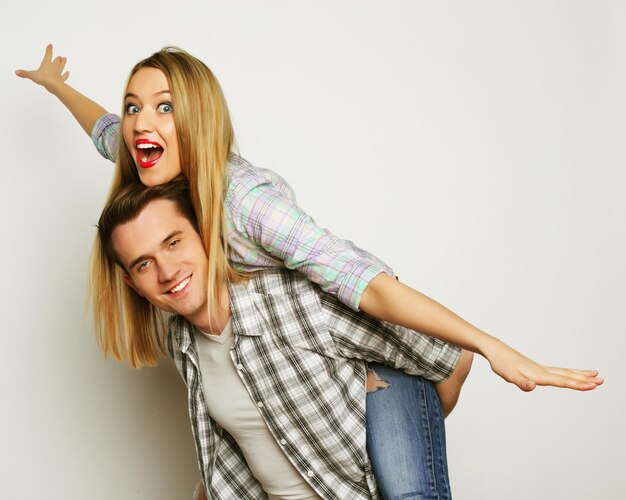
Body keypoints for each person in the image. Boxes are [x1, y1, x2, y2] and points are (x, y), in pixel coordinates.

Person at [17, 45, 602, 499]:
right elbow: (104, 133)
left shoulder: (244, 204)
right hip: (313, 357)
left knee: (407, 490)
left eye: (164, 106)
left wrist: (493, 347)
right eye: (134, 105)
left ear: (196, 118)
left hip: (377, 346)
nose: (141, 121)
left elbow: (361, 280)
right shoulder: (154, 181)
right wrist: (57, 85)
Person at [96, 179, 600, 499]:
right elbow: (229, 454)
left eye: (174, 242)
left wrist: (397, 420)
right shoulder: (182, 342)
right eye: (143, 263)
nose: (166, 270)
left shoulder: (294, 304)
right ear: (131, 283)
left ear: (208, 234)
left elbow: (447, 360)